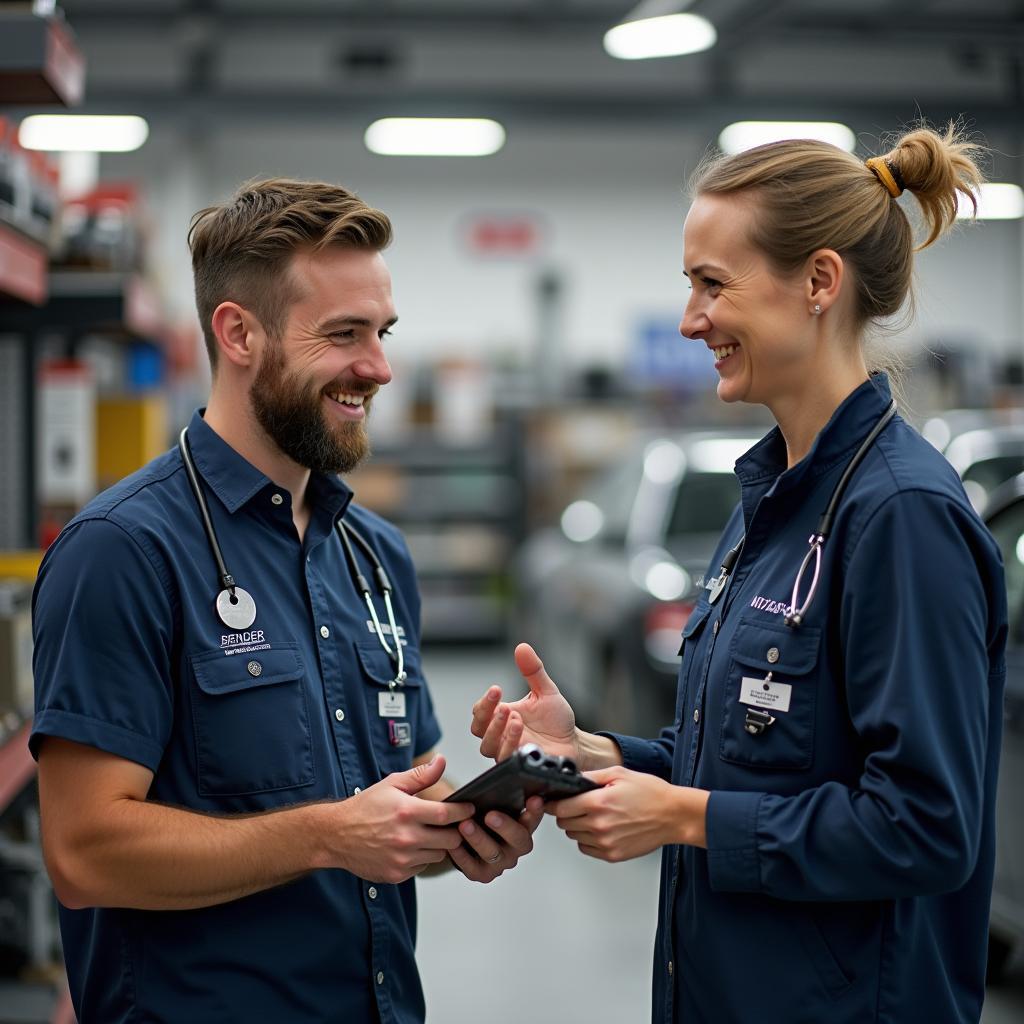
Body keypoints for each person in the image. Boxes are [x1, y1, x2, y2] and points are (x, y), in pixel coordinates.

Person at [472, 124, 1008, 1023]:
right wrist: (594, 754)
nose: (690, 321)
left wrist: (682, 819)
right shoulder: (770, 502)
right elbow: (752, 762)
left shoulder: (901, 517)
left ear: (819, 283)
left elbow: (926, 827)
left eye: (712, 284)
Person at [31, 177, 543, 1024]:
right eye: (344, 334)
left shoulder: (375, 557)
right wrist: (326, 835)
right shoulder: (123, 552)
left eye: (382, 332)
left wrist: (459, 835)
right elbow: (83, 853)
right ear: (238, 333)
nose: (378, 367)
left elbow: (384, 821)